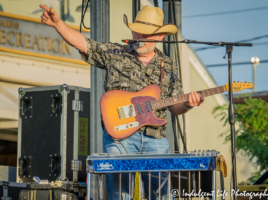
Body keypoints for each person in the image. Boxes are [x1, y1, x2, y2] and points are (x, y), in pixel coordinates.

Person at [40, 4, 204, 200]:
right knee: (120, 195)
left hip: (156, 140)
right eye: (136, 31)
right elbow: (84, 44)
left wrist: (188, 103)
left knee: (160, 195)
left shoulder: (168, 65)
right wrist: (58, 24)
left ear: (159, 37)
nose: (138, 37)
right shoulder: (116, 54)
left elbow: (174, 106)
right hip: (120, 138)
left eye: (145, 34)